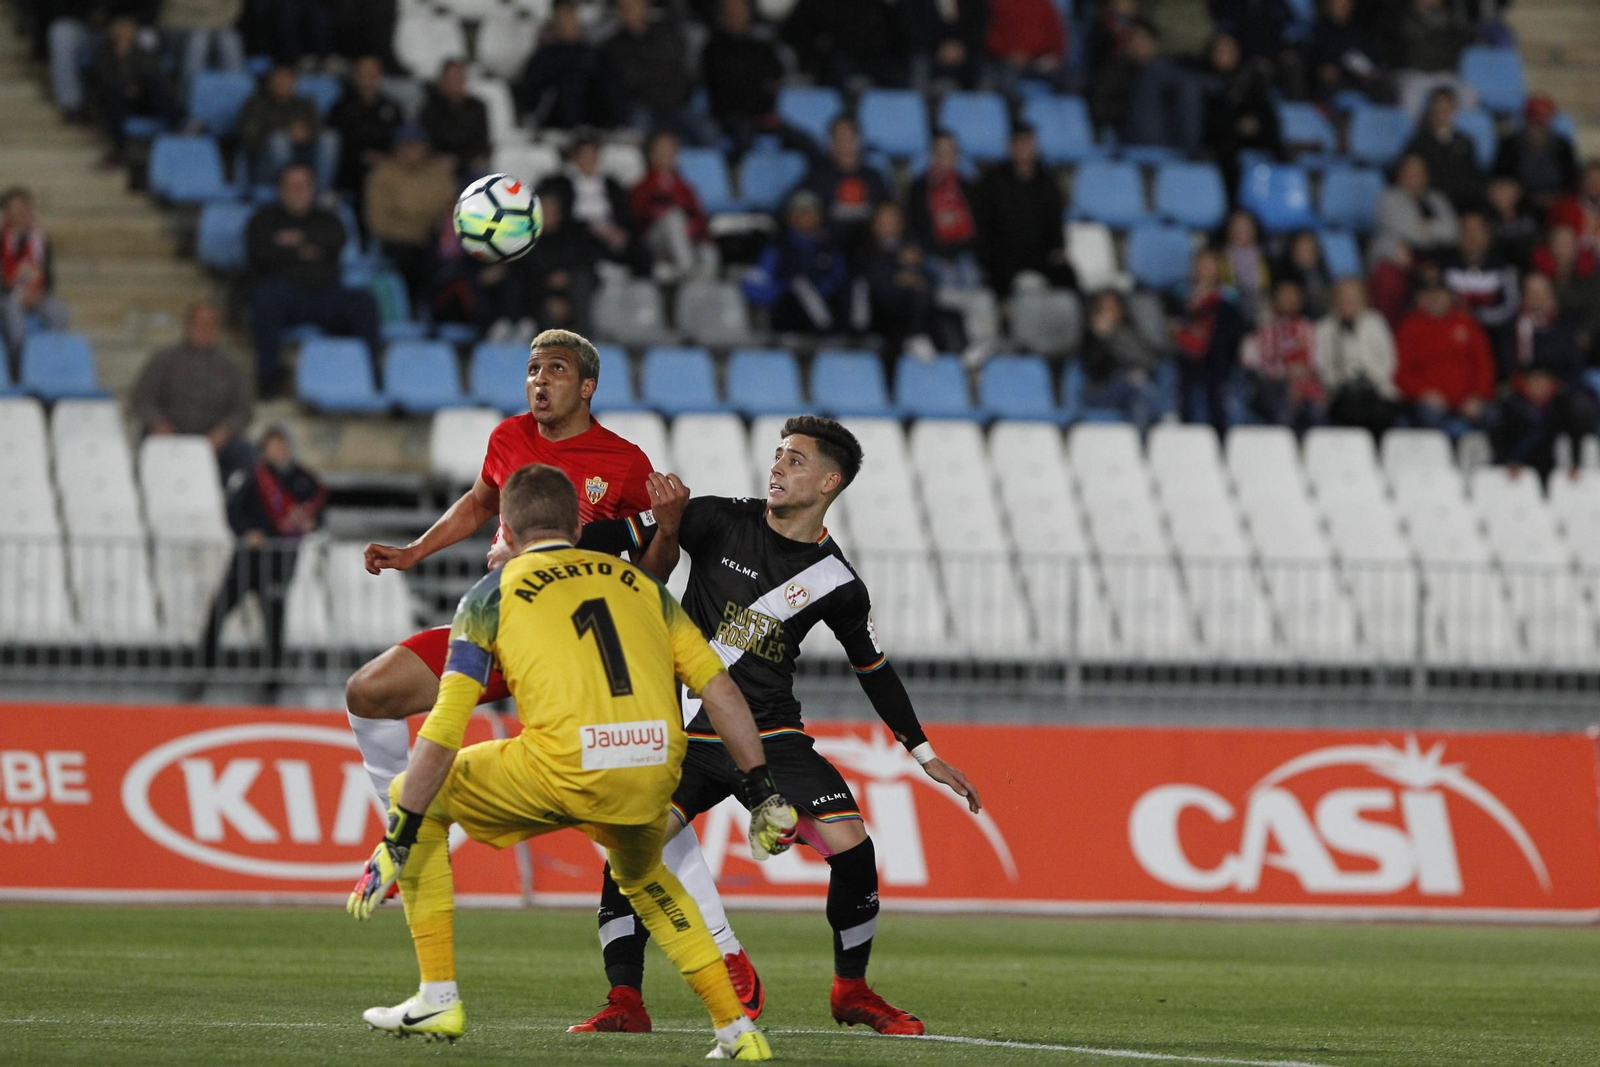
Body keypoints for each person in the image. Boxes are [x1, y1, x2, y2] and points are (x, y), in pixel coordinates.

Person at [347, 462, 793, 1061]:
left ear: (505, 525)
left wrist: (398, 833)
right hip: (652, 770)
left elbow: (446, 724)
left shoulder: (491, 593)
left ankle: (437, 995)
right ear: (577, 528)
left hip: (561, 767)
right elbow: (721, 692)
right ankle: (737, 1032)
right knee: (644, 878)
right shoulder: (643, 587)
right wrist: (763, 790)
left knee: (413, 796)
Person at [569, 416, 981, 1037]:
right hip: (688, 727)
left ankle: (852, 990)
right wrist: (538, 543)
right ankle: (625, 999)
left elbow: (874, 668)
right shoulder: (713, 517)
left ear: (828, 481)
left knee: (852, 847)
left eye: (794, 459)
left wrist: (924, 753)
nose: (778, 467)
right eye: (778, 455)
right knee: (630, 847)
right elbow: (608, 537)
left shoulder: (838, 582)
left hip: (774, 736)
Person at [245, 164, 381, 396]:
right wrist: (308, 247)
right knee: (264, 301)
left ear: (313, 189)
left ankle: (372, 374)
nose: (298, 190)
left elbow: (335, 242)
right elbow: (259, 252)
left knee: (364, 301)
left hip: (326, 295)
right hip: (285, 296)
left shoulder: (327, 218)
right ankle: (269, 378)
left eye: (303, 185)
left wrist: (291, 243)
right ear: (281, 189)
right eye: (292, 185)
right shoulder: (263, 219)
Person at [200, 425, 325, 673]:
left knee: (274, 623)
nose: (280, 451)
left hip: (280, 563)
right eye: (274, 446)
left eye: (283, 445)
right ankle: (203, 668)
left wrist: (313, 523)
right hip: (247, 562)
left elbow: (319, 511)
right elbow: (234, 511)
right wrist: (247, 532)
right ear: (264, 450)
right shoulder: (253, 477)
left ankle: (273, 681)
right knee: (219, 610)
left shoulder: (304, 479)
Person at [130, 301, 254, 484]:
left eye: (210, 325)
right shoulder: (164, 359)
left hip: (214, 441)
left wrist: (224, 431)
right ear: (187, 326)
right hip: (169, 435)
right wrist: (158, 423)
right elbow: (141, 399)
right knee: (148, 443)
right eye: (199, 324)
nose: (204, 330)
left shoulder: (231, 366)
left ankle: (233, 504)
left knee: (245, 452)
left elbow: (243, 410)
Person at [1495, 272, 1598, 478]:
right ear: (1524, 298)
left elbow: (1576, 366)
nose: (1538, 300)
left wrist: (1553, 385)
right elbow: (1507, 365)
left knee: (1577, 407)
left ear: (1552, 297)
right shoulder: (1515, 327)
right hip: (1522, 391)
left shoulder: (1565, 326)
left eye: (1542, 294)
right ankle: (1507, 463)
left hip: (1559, 391)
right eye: (1533, 294)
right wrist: (1526, 384)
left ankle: (1574, 466)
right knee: (1503, 409)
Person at [973, 124, 1074, 297]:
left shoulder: (1047, 181)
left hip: (1040, 255)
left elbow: (1055, 222)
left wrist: (1058, 248)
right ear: (1010, 147)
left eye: (1028, 143)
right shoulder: (993, 182)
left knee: (1067, 276)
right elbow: (984, 224)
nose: (1025, 149)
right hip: (1004, 255)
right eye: (1020, 143)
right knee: (997, 277)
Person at [364, 124, 457, 308]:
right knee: (409, 262)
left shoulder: (438, 173)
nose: (413, 151)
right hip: (397, 241)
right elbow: (377, 220)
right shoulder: (382, 174)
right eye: (407, 145)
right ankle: (413, 313)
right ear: (397, 148)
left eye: (417, 145)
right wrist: (414, 230)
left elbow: (450, 208)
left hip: (433, 239)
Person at [743, 191, 861, 335]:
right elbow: (753, 285)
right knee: (800, 285)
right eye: (802, 211)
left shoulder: (830, 246)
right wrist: (781, 291)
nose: (807, 216)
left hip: (829, 306)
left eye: (812, 211)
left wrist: (823, 290)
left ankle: (857, 333)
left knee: (857, 284)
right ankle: (826, 329)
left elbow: (840, 278)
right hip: (789, 314)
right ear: (791, 216)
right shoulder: (777, 247)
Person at [1394, 271, 1496, 433]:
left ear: (1449, 295)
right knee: (1428, 415)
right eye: (1429, 293)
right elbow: (1401, 372)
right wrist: (1422, 393)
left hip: (1467, 401)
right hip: (1430, 402)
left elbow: (1483, 365)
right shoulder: (1409, 327)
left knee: (1493, 415)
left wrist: (1477, 396)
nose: (1436, 298)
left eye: (1440, 292)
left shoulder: (1467, 323)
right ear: (1420, 298)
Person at [1171, 247, 1246, 435]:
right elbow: (1174, 327)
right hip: (1187, 361)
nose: (1205, 269)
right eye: (1201, 265)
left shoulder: (1229, 298)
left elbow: (1234, 332)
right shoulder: (1180, 296)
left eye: (1210, 265)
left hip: (1219, 361)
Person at [599, 0, 699, 139]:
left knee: (710, 138)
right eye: (624, 8)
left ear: (644, 7)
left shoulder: (665, 32)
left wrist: (653, 73)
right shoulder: (615, 45)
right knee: (636, 142)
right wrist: (659, 72)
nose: (629, 12)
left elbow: (675, 63)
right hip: (643, 104)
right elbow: (630, 78)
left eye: (634, 7)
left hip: (676, 102)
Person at [798, 116, 891, 265]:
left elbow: (890, 214)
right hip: (828, 251)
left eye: (851, 138)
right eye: (840, 139)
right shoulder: (817, 178)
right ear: (830, 144)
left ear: (860, 141)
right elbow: (797, 210)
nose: (846, 145)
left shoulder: (874, 177)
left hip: (871, 252)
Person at [1201, 32, 1282, 203]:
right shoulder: (1203, 83)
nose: (1225, 55)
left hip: (1254, 139)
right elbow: (1206, 122)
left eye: (1229, 50)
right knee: (1227, 151)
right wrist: (1236, 126)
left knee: (1280, 151)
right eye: (1220, 51)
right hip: (1221, 144)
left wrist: (1256, 125)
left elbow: (1269, 119)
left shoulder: (1250, 83)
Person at [1316, 276, 1399, 438]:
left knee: (1380, 413)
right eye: (1343, 297)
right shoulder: (1325, 328)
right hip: (1342, 393)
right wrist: (1344, 379)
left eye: (1353, 297)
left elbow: (1389, 362)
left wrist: (1369, 376)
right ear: (1334, 300)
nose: (1348, 301)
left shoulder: (1376, 322)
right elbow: (1323, 366)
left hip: (1377, 391)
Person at [546, 131, 640, 272]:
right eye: (585, 155)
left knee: (638, 251)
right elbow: (560, 218)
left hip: (612, 234)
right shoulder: (559, 184)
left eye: (593, 154)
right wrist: (593, 228)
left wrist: (621, 231)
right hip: (580, 237)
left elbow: (625, 213)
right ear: (575, 157)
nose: (589, 160)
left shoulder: (611, 184)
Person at [630, 130, 716, 283]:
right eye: (663, 148)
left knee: (708, 251)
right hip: (654, 240)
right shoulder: (641, 186)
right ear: (651, 154)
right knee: (673, 217)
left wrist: (693, 227)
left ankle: (696, 292)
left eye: (672, 149)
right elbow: (638, 218)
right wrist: (660, 211)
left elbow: (698, 216)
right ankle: (686, 268)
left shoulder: (685, 187)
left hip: (684, 238)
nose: (668, 153)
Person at [96, 14, 181, 166]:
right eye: (120, 28)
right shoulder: (105, 56)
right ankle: (119, 150)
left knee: (151, 81)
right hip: (120, 103)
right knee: (115, 93)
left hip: (146, 100)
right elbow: (106, 82)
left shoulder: (144, 53)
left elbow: (153, 75)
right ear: (112, 31)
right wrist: (121, 58)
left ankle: (178, 126)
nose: (123, 32)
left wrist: (136, 86)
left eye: (127, 28)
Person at [1241, 278, 1324, 432]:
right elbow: (1250, 363)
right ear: (1274, 299)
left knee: (1317, 409)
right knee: (1284, 409)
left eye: (1293, 295)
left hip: (1306, 386)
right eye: (1284, 295)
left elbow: (1316, 363)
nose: (1288, 299)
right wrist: (1284, 377)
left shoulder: (1309, 329)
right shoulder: (1261, 329)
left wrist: (1299, 382)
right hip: (1271, 387)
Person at [0, 186, 70, 369]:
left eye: (23, 209)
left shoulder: (41, 240)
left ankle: (46, 364)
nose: (19, 215)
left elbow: (48, 277)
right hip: (7, 297)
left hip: (35, 295)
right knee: (15, 323)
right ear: (6, 213)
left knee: (59, 311)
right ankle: (18, 369)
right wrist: (16, 293)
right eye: (14, 210)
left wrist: (38, 293)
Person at [863, 202, 942, 361]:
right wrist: (897, 278)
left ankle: (919, 336)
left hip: (910, 310)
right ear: (874, 225)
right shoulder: (865, 248)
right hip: (879, 314)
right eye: (884, 221)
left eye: (894, 220)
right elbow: (870, 282)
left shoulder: (911, 248)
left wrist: (913, 269)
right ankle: (916, 335)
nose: (889, 225)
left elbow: (931, 278)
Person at [240, 63, 339, 189]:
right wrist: (288, 133)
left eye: (287, 78)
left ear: (294, 82)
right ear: (270, 80)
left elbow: (318, 127)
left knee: (330, 138)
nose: (282, 82)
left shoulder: (305, 105)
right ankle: (287, 190)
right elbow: (249, 139)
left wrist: (307, 133)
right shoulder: (255, 105)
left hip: (304, 158)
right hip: (266, 166)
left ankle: (320, 191)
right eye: (279, 77)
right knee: (279, 141)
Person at [701, 0, 784, 149]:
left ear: (749, 14)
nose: (736, 16)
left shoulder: (760, 46)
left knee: (800, 140)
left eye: (740, 11)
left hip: (762, 112)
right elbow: (720, 87)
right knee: (744, 135)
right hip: (730, 114)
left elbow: (777, 73)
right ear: (723, 15)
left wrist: (766, 107)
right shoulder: (713, 48)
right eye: (731, 12)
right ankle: (737, 170)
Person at [328, 55, 402, 216]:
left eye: (373, 75)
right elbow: (335, 147)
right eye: (363, 74)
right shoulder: (340, 108)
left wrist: (385, 156)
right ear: (355, 77)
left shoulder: (392, 108)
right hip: (351, 169)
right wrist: (363, 156)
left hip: (387, 166)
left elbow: (399, 141)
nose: (368, 79)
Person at [905, 131, 981, 289]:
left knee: (971, 277)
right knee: (946, 280)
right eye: (940, 151)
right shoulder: (919, 188)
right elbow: (914, 226)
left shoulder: (967, 187)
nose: (945, 156)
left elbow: (978, 226)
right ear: (932, 155)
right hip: (932, 253)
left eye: (950, 151)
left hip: (964, 253)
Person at [1081, 290, 1161, 430]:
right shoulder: (1090, 336)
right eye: (1102, 309)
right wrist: (1100, 339)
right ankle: (1143, 439)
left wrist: (1135, 372)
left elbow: (1149, 360)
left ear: (1120, 311)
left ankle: (1141, 439)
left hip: (1134, 386)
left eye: (1111, 309)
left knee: (1139, 400)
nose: (1107, 314)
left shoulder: (1130, 332)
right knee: (1140, 389)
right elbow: (1094, 369)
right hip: (1102, 390)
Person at [1441, 211, 1520, 352]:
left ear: (1487, 237)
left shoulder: (1504, 270)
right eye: (1467, 231)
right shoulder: (1444, 270)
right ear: (1459, 237)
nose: (1471, 237)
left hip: (1494, 336)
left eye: (1477, 231)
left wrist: (1478, 318)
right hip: (1452, 335)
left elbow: (1511, 307)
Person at [516, 0, 596, 130]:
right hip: (555, 121)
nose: (566, 24)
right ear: (554, 23)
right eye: (561, 19)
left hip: (591, 117)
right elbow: (532, 95)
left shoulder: (590, 53)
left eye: (569, 18)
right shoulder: (543, 57)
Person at [1494, 94, 1580, 213]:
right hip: (1519, 200)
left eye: (1542, 121)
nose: (1538, 127)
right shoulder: (1509, 144)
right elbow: (1502, 176)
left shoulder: (1562, 145)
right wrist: (1526, 196)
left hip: (1557, 199)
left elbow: (1571, 177)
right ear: (1526, 120)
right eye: (1534, 121)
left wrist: (1555, 197)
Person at [1405, 88, 1486, 213]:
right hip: (1432, 205)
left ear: (1453, 109)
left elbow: (1474, 175)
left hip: (1464, 204)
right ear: (1431, 108)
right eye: (1438, 104)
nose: (1442, 110)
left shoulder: (1465, 141)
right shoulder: (1418, 143)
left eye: (1446, 105)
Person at [1375, 153, 1461, 262]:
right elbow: (1410, 233)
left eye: (1420, 172)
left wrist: (1423, 225)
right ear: (1400, 174)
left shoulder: (1438, 198)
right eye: (1411, 172)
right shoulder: (1389, 198)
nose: (1416, 176)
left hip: (1437, 255)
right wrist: (1435, 229)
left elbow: (1453, 232)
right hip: (1403, 256)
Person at [419, 59, 491, 179]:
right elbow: (428, 142)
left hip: (470, 163)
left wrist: (463, 160)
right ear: (442, 81)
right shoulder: (430, 110)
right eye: (450, 79)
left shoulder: (477, 107)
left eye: (458, 78)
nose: (454, 83)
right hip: (440, 164)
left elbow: (481, 141)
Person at [983, 0, 1068, 93]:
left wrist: (1055, 56)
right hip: (1008, 62)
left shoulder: (1043, 4)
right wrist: (1008, 54)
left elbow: (1058, 36)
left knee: (1071, 78)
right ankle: (1014, 106)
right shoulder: (998, 4)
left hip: (1040, 62)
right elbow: (990, 37)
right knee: (1006, 80)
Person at [905, 0, 987, 90]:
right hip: (930, 51)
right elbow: (915, 24)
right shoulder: (919, 3)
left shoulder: (974, 3)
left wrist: (960, 46)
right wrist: (939, 47)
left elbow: (979, 22)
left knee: (983, 70)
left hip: (966, 51)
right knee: (919, 64)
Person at [161, 0, 244, 86]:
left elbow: (232, 8)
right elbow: (174, 10)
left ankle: (236, 91)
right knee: (199, 38)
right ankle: (190, 91)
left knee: (229, 39)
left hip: (216, 27)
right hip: (177, 29)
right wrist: (210, 12)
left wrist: (206, 17)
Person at [1216, 208, 1270, 326]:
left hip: (1260, 311)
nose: (1241, 230)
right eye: (1237, 226)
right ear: (1228, 229)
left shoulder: (1267, 257)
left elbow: (1267, 290)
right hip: (1228, 312)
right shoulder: (1219, 257)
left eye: (1246, 226)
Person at [1275, 230, 1333, 319]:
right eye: (1301, 250)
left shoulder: (1325, 275)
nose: (1305, 254)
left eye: (1309, 249)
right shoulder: (1283, 276)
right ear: (1292, 251)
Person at [1547, 159, 1600, 254]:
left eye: (1598, 180)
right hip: (1573, 260)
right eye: (1590, 180)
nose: (1595, 185)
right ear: (1582, 182)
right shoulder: (1564, 206)